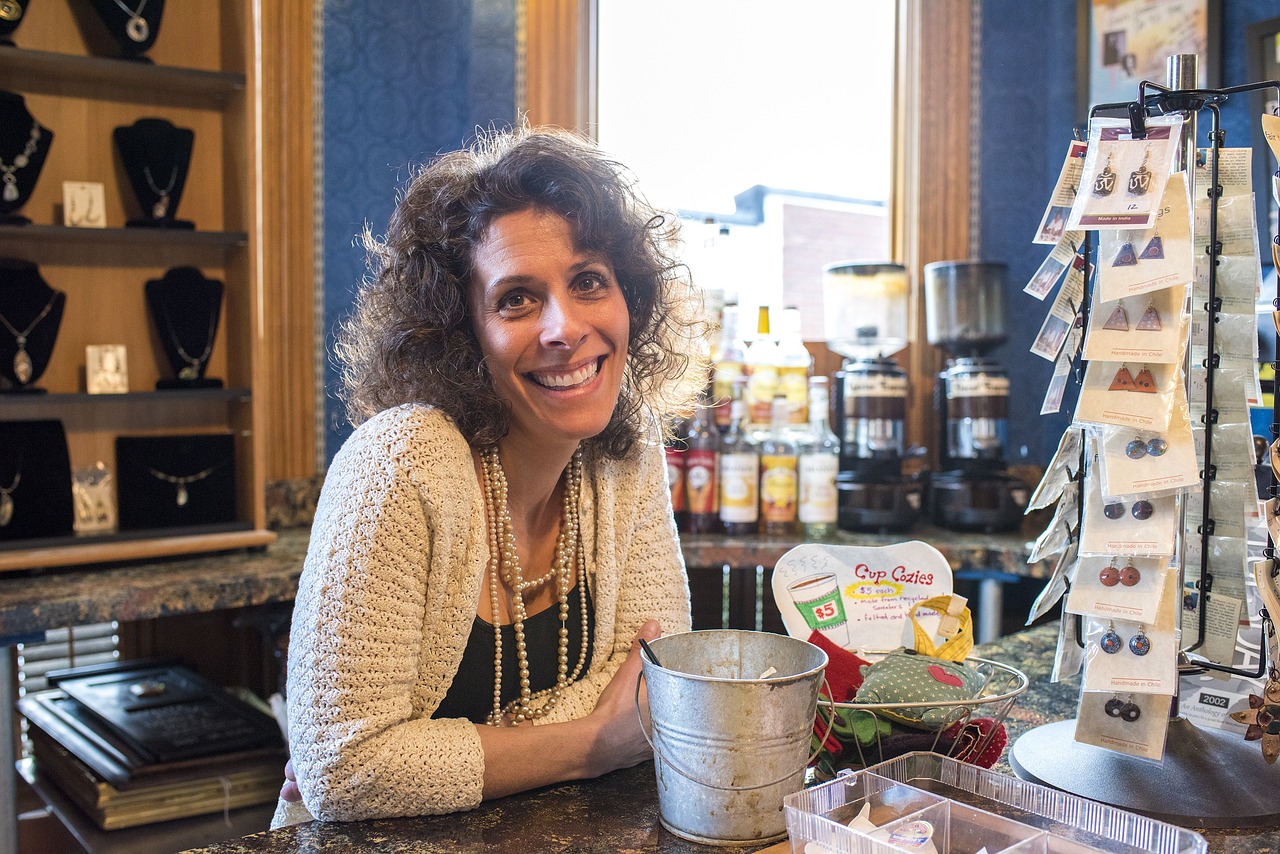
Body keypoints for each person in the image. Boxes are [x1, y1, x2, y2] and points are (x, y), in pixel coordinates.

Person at [271, 125, 706, 827]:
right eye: (517, 299)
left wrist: (423, 754)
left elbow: (657, 693)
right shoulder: (399, 464)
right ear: (463, 335)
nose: (564, 327)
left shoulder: (628, 447)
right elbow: (345, 771)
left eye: (589, 281)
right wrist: (595, 743)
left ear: (631, 298)